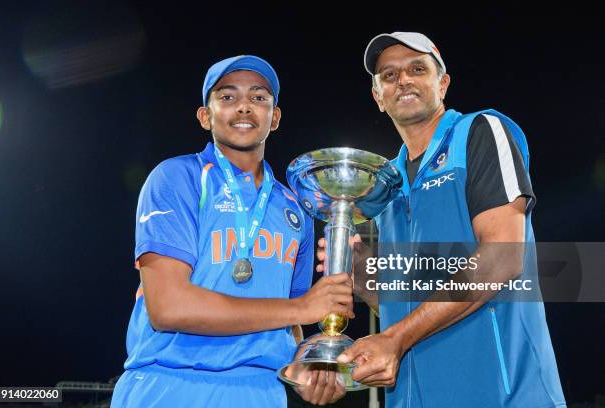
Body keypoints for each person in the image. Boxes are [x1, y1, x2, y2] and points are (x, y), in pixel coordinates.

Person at [317, 32, 566, 407]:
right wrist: (368, 282)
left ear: (442, 83)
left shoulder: (478, 133)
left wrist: (395, 338)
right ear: (378, 97)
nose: (403, 80)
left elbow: (502, 257)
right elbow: (407, 307)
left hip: (503, 395)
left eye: (417, 69)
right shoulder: (386, 183)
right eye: (388, 75)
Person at [111, 55, 350, 407]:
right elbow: (169, 307)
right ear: (205, 116)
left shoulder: (295, 208)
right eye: (227, 97)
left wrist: (302, 368)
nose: (243, 107)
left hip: (262, 393)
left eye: (258, 98)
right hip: (171, 385)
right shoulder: (178, 178)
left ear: (276, 117)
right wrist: (302, 308)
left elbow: (290, 323)